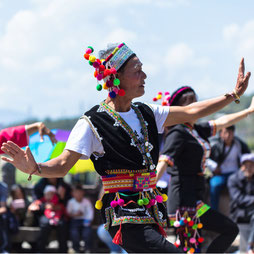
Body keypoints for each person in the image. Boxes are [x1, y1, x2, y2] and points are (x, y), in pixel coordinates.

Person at [1, 42, 251, 253]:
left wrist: (233, 95)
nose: (145, 76)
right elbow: (62, 165)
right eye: (138, 70)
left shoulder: (147, 112)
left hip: (151, 207)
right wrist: (34, 167)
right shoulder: (92, 122)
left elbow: (190, 111)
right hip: (123, 216)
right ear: (115, 76)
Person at [156, 86, 254, 253]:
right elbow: (163, 161)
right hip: (183, 202)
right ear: (184, 109)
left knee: (198, 246)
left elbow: (223, 122)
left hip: (195, 200)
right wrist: (146, 188)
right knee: (194, 246)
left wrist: (248, 111)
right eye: (194, 103)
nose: (199, 106)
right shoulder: (178, 132)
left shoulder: (196, 130)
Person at [208, 125, 250, 211]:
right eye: (225, 133)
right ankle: (214, 211)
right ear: (220, 134)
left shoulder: (239, 144)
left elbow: (246, 157)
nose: (228, 136)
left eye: (230, 133)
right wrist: (215, 167)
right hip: (221, 174)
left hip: (235, 173)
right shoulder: (214, 144)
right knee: (214, 185)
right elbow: (206, 158)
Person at [28, 185, 68, 253]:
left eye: (51, 194)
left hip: (57, 218)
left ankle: (63, 250)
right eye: (48, 194)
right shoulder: (41, 201)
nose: (49, 196)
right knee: (45, 225)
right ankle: (40, 250)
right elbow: (35, 209)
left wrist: (54, 207)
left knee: (62, 225)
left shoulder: (58, 201)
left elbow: (63, 209)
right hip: (45, 218)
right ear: (45, 194)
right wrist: (44, 207)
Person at [227, 153, 254, 254]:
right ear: (242, 166)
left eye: (252, 165)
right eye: (246, 165)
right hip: (238, 212)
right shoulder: (233, 179)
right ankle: (250, 247)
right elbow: (238, 199)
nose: (249, 168)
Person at [67, 184, 94, 253]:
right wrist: (75, 215)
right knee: (74, 233)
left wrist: (88, 220)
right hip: (74, 221)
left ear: (83, 193)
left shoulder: (86, 201)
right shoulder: (71, 202)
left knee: (87, 233)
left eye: (79, 192)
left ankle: (87, 249)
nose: (78, 194)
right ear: (73, 193)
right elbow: (68, 213)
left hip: (85, 221)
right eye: (76, 192)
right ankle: (76, 249)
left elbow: (90, 212)